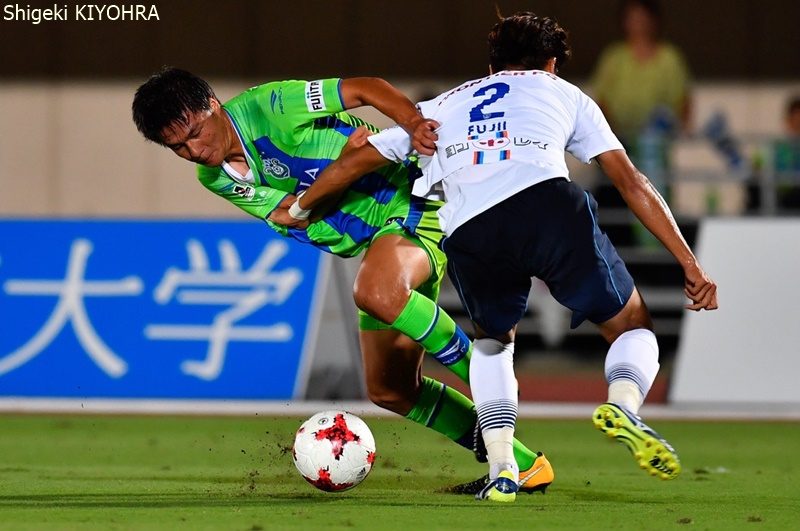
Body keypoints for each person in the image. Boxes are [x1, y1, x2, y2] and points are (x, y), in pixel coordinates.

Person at [278, 12, 718, 503]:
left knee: (493, 344)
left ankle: (503, 468)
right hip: (546, 204)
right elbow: (631, 182)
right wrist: (689, 263)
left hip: (471, 228)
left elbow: (355, 162)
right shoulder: (567, 94)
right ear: (551, 64)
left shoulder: (443, 104)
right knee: (631, 325)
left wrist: (299, 208)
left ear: (491, 67)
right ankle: (624, 403)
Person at [131, 68, 551, 494]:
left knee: (375, 291)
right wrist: (345, 167)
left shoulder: (271, 106)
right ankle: (522, 463)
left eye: (195, 133)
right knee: (389, 389)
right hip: (380, 239)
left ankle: (489, 380)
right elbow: (290, 214)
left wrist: (412, 124)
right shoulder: (215, 177)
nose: (194, 151)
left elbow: (365, 89)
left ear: (213, 105)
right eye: (177, 147)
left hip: (414, 196)